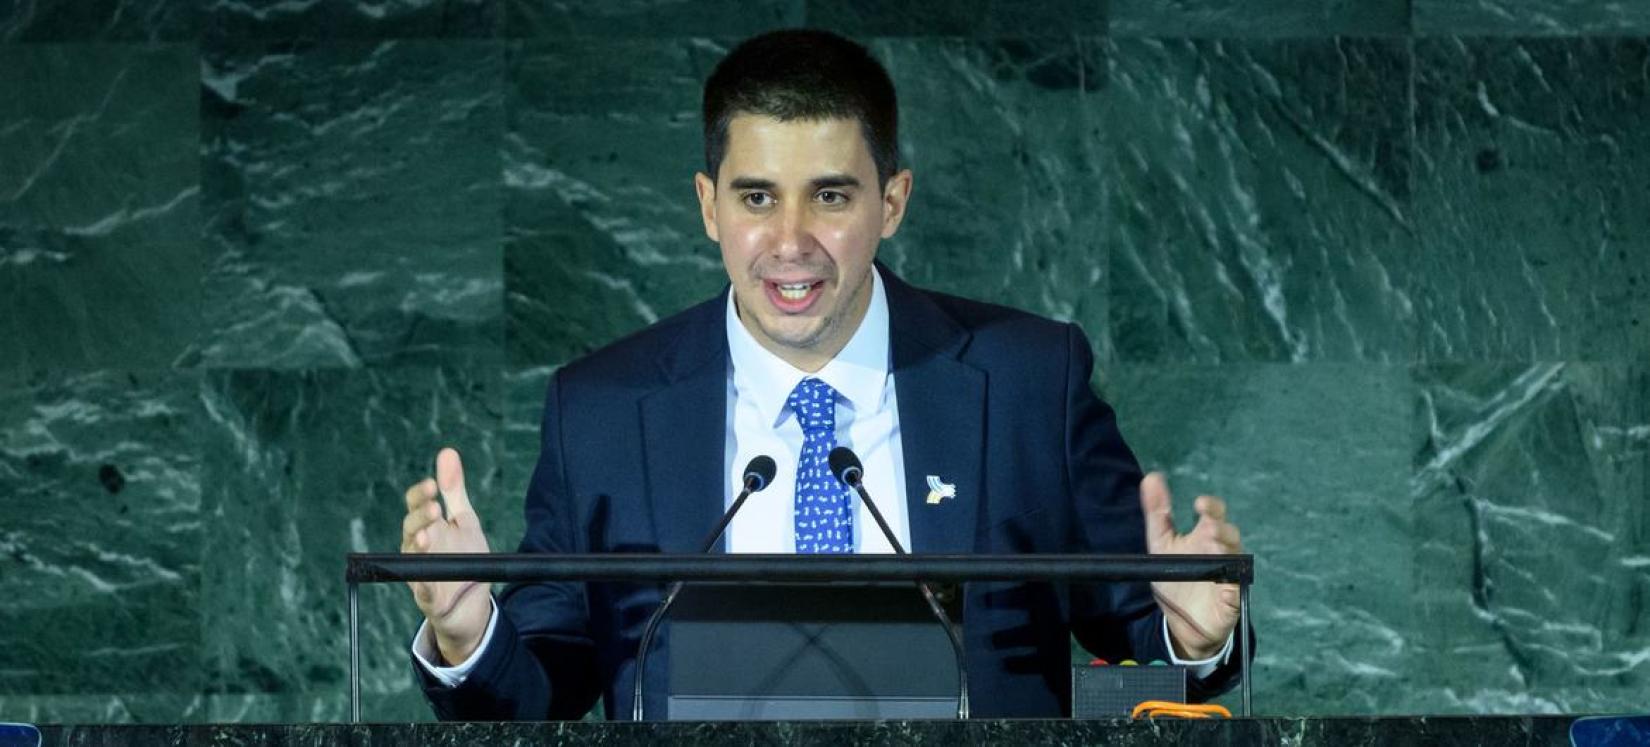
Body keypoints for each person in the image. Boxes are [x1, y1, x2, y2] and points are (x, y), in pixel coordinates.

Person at [398, 28, 1249, 720]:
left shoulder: (1029, 380)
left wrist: (1195, 639)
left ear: (893, 201)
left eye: (832, 197)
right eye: (758, 197)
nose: (792, 240)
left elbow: (1144, 634)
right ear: (708, 205)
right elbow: (543, 693)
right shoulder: (604, 410)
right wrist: (470, 632)